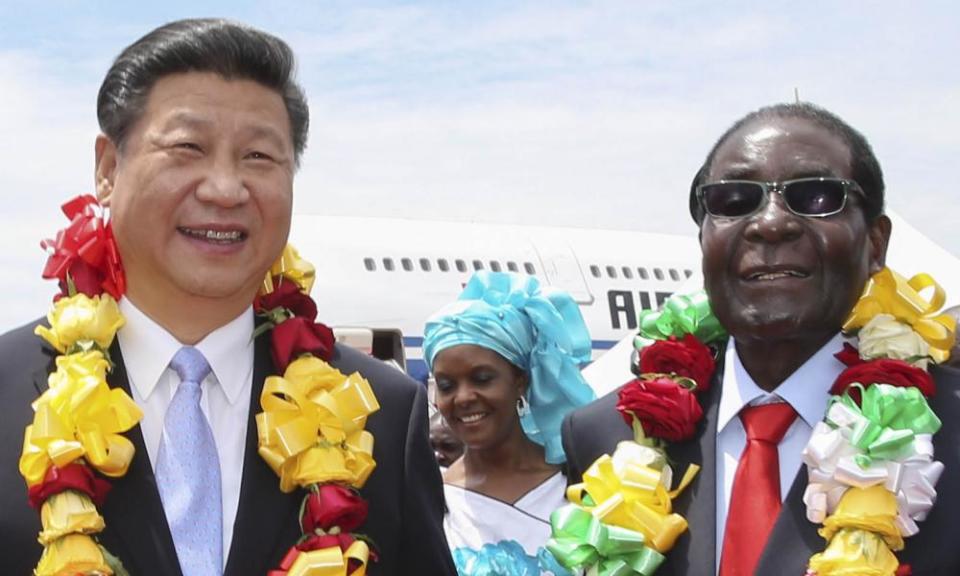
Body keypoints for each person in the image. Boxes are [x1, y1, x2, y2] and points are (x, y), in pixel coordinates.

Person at [0, 18, 456, 576]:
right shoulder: (6, 391)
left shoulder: (381, 416)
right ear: (108, 168)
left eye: (260, 157)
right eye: (188, 147)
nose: (224, 188)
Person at [561, 102, 960, 575]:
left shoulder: (949, 435)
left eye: (815, 196)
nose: (771, 223)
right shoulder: (608, 437)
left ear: (875, 244)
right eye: (734, 200)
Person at [423, 271, 595, 575]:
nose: (463, 398)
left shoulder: (579, 484)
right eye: (447, 385)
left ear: (520, 381)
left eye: (482, 379)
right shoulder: (431, 500)